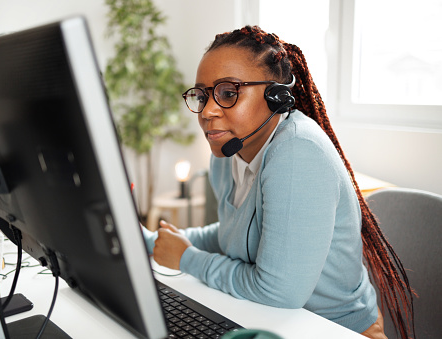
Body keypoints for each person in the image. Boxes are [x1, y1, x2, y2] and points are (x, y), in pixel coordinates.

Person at [142, 26, 414, 339]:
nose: (208, 111)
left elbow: (278, 292)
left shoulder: (299, 152)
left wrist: (187, 259)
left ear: (277, 97)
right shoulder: (227, 153)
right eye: (202, 96)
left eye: (228, 93)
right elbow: (237, 235)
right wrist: (151, 242)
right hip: (270, 322)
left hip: (332, 330)